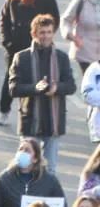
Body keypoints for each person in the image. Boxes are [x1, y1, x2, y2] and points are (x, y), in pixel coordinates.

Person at [10, 15, 76, 173]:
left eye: (49, 32)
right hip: (30, 122)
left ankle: (45, 198)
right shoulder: (22, 57)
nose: (46, 36)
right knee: (24, 165)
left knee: (50, 169)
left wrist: (56, 88)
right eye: (42, 32)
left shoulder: (61, 57)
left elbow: (71, 86)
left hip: (53, 123)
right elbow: (13, 88)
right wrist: (35, 88)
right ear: (34, 34)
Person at [0, 0, 60, 128]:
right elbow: (3, 19)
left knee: (39, 78)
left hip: (38, 46)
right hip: (15, 47)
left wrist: (45, 37)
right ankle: (4, 111)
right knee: (10, 79)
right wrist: (6, 41)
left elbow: (55, 18)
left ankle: (36, 113)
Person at [0, 138, 66, 207]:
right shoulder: (4, 179)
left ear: (35, 159)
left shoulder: (50, 181)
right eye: (20, 149)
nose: (22, 153)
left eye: (27, 150)